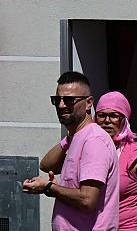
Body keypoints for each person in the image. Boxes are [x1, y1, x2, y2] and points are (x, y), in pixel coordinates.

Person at [41, 91, 137, 231]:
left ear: (124, 119)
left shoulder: (135, 153)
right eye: (102, 115)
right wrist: (71, 138)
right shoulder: (88, 146)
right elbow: (46, 165)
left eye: (114, 115)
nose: (107, 120)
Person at [23, 71, 119, 230]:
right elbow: (46, 165)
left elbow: (87, 200)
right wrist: (69, 138)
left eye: (69, 100)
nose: (61, 105)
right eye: (57, 100)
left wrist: (49, 187)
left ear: (89, 103)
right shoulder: (76, 137)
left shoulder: (94, 141)